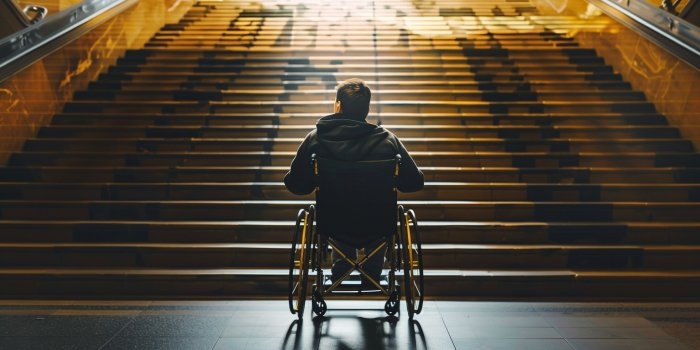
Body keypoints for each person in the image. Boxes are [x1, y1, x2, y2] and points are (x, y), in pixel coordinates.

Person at [284, 78, 424, 289]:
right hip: (377, 222)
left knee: (338, 205)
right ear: (366, 109)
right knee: (376, 209)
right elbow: (414, 182)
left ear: (338, 105)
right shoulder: (388, 140)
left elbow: (296, 185)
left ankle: (341, 270)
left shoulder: (316, 139)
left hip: (333, 221)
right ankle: (372, 274)